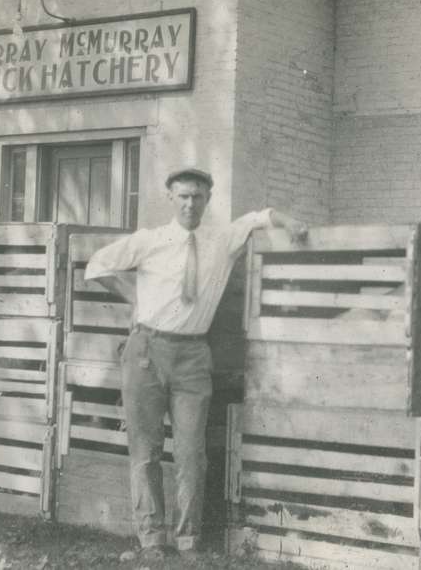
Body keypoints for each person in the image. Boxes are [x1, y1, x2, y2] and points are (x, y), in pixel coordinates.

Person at [84, 166, 308, 559]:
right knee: (146, 450)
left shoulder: (223, 239)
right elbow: (97, 265)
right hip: (146, 354)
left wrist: (289, 221)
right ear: (171, 198)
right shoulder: (150, 240)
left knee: (191, 452)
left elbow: (260, 217)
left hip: (192, 355)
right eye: (183, 196)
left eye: (198, 196)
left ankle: (189, 541)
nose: (190, 203)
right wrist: (133, 295)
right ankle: (152, 538)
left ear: (208, 199)